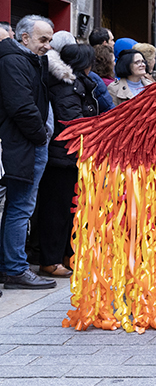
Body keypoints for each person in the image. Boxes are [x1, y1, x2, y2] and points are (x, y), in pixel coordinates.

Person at [0, 15, 56, 290]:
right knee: (20, 208)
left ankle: (11, 266)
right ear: (24, 38)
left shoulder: (30, 60)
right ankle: (15, 268)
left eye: (50, 40)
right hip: (24, 144)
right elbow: (21, 106)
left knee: (18, 207)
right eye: (43, 39)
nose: (47, 46)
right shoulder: (14, 61)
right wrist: (40, 136)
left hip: (27, 143)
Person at [37, 42, 99, 278]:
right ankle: (50, 260)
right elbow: (73, 122)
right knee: (57, 210)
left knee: (70, 210)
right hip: (62, 157)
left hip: (72, 156)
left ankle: (66, 255)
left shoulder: (76, 84)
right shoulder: (66, 86)